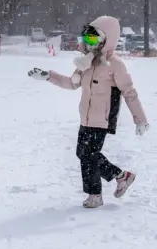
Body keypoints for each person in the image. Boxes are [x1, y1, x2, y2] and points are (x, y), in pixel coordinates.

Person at [28, 16, 149, 208]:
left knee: (89, 154)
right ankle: (119, 178)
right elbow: (71, 83)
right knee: (83, 154)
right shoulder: (86, 63)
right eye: (87, 39)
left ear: (106, 40)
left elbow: (129, 92)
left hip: (102, 119)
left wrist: (140, 119)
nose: (88, 43)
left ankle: (100, 191)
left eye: (94, 39)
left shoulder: (115, 65)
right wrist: (47, 76)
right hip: (85, 118)